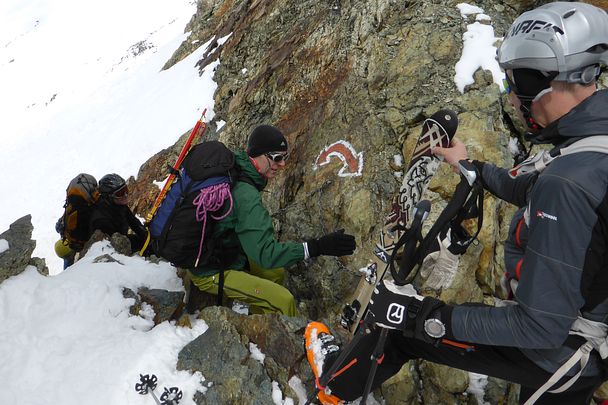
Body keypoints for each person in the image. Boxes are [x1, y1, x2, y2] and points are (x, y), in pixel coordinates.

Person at [304, 3, 608, 404]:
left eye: (514, 82)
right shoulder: (591, 147)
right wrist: (471, 167)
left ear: (540, 81)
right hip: (585, 331)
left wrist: (420, 316)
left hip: (562, 350)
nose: (511, 99)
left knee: (401, 332)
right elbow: (531, 186)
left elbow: (539, 328)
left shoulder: (567, 184)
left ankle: (334, 386)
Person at [188, 124, 357, 316]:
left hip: (223, 249)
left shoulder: (238, 167)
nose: (282, 164)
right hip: (207, 269)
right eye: (276, 158)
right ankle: (289, 333)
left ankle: (259, 320)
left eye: (284, 157)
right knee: (283, 301)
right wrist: (317, 247)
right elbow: (266, 255)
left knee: (275, 272)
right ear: (257, 155)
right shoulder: (246, 195)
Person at [89, 173, 149, 254]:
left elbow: (133, 221)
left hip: (122, 238)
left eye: (126, 190)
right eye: (120, 193)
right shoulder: (101, 220)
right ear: (109, 197)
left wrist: (146, 236)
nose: (125, 195)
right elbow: (114, 246)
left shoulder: (118, 205)